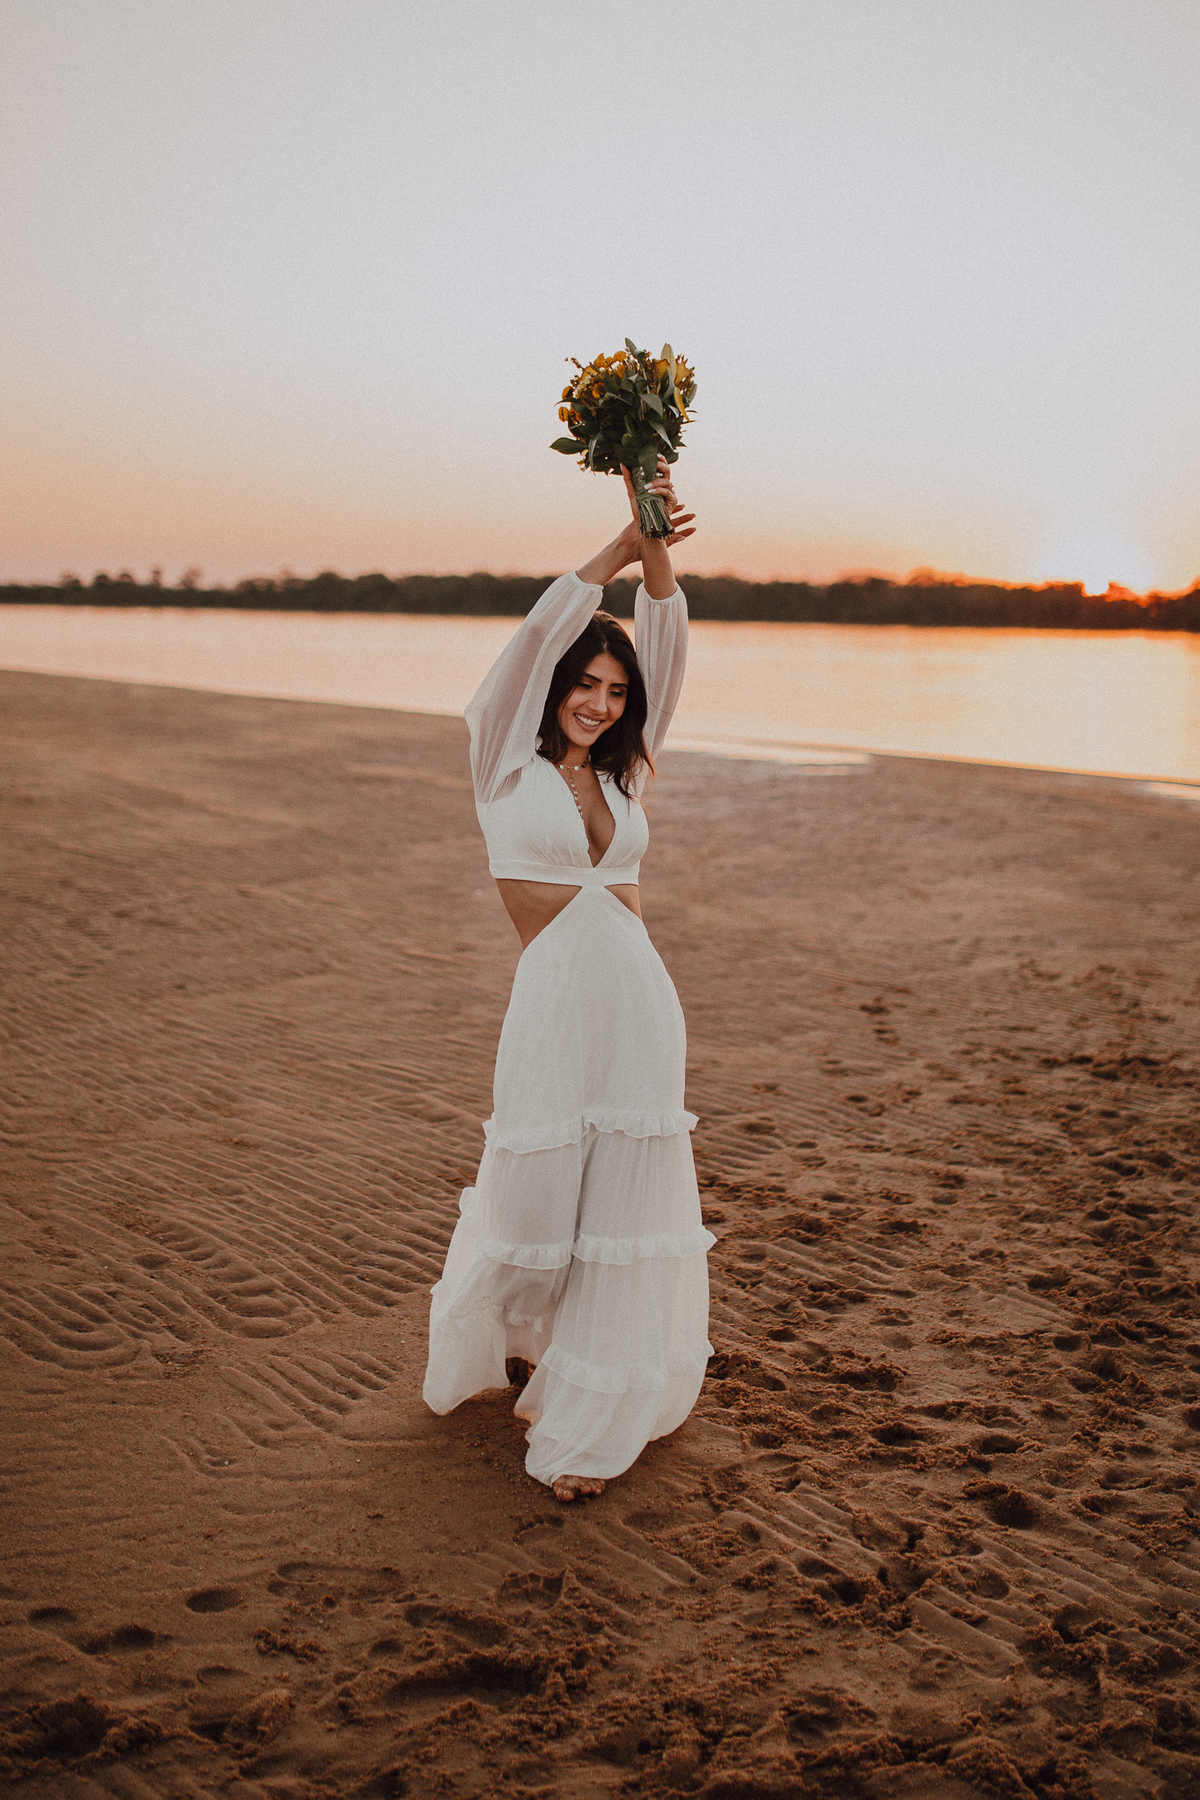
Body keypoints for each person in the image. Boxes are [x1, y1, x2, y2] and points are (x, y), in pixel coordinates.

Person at [422, 456, 713, 1502]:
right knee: (541, 1187)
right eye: (586, 685)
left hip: (640, 1003)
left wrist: (660, 555)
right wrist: (620, 543)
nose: (599, 701)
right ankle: (525, 1337)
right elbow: (534, 637)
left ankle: (585, 1398)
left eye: (614, 691)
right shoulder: (504, 759)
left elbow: (671, 650)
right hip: (552, 1005)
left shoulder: (628, 771)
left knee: (625, 1199)